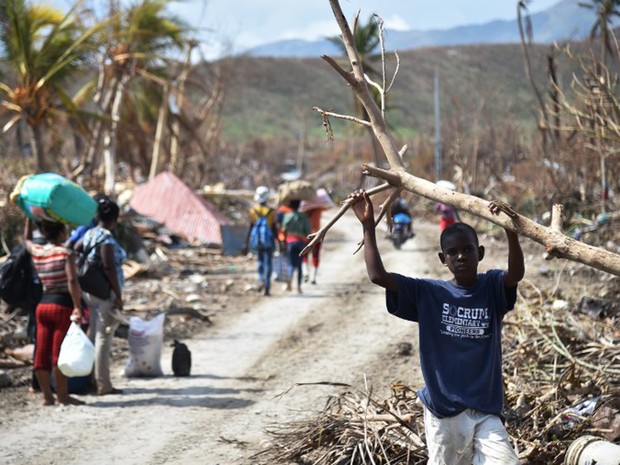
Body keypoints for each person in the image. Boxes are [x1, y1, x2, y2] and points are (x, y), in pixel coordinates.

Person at [349, 190, 524, 465]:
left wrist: (510, 230)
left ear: (480, 253)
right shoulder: (429, 294)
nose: (461, 257)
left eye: (467, 250)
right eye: (452, 252)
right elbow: (378, 276)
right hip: (444, 412)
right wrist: (368, 226)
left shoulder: (491, 287)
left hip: (486, 409)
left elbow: (515, 275)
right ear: (443, 260)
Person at [24, 218, 84, 406]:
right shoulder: (65, 254)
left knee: (42, 352)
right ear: (60, 233)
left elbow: (26, 241)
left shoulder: (39, 252)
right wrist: (78, 306)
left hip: (42, 306)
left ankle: (47, 397)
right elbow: (72, 281)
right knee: (59, 354)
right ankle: (63, 396)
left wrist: (28, 217)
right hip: (62, 306)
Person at [80, 196, 127, 396]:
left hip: (89, 291)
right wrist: (117, 294)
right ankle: (103, 384)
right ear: (115, 218)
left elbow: (74, 250)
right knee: (103, 337)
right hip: (104, 292)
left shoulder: (89, 234)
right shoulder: (106, 239)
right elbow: (108, 267)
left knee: (92, 335)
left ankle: (89, 381)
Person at [244, 186, 278, 296]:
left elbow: (250, 227)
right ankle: (267, 287)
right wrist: (280, 242)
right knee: (268, 262)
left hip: (257, 240)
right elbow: (274, 228)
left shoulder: (253, 211)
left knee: (260, 261)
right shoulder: (272, 212)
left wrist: (246, 243)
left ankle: (260, 279)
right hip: (269, 240)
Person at [300, 188, 333, 284]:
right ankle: (313, 277)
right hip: (317, 235)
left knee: (304, 254)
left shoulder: (304, 211)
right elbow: (328, 207)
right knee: (316, 255)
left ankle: (305, 272)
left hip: (306, 235)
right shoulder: (318, 209)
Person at [282, 199, 311, 294]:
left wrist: (284, 243)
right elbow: (308, 231)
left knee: (291, 264)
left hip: (290, 242)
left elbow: (284, 229)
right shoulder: (304, 216)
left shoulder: (287, 216)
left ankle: (289, 280)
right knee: (299, 265)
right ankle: (298, 287)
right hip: (301, 242)